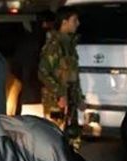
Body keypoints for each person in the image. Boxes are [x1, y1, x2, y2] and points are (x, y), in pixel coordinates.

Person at [38, 6, 84, 150]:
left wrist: (79, 98)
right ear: (64, 22)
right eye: (74, 20)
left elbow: (73, 75)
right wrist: (60, 93)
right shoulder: (54, 45)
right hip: (56, 101)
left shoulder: (69, 45)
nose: (78, 23)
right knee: (54, 139)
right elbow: (43, 73)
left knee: (72, 139)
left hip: (70, 100)